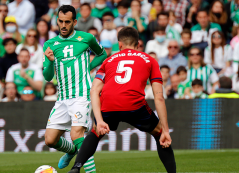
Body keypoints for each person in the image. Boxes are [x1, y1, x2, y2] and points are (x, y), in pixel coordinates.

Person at [67, 26, 176, 173]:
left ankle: (76, 167)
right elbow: (159, 97)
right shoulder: (150, 60)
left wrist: (99, 121)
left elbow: (94, 90)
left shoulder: (109, 60)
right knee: (159, 134)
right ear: (138, 44)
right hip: (134, 105)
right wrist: (166, 130)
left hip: (108, 105)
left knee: (95, 133)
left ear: (119, 45)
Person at [43, 5, 107, 173]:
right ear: (57, 21)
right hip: (62, 98)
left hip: (82, 95)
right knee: (50, 140)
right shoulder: (50, 44)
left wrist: (88, 68)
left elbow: (102, 54)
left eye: (67, 22)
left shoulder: (86, 38)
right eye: (60, 21)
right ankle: (71, 151)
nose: (63, 25)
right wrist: (49, 61)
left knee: (76, 135)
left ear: (74, 22)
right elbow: (48, 77)